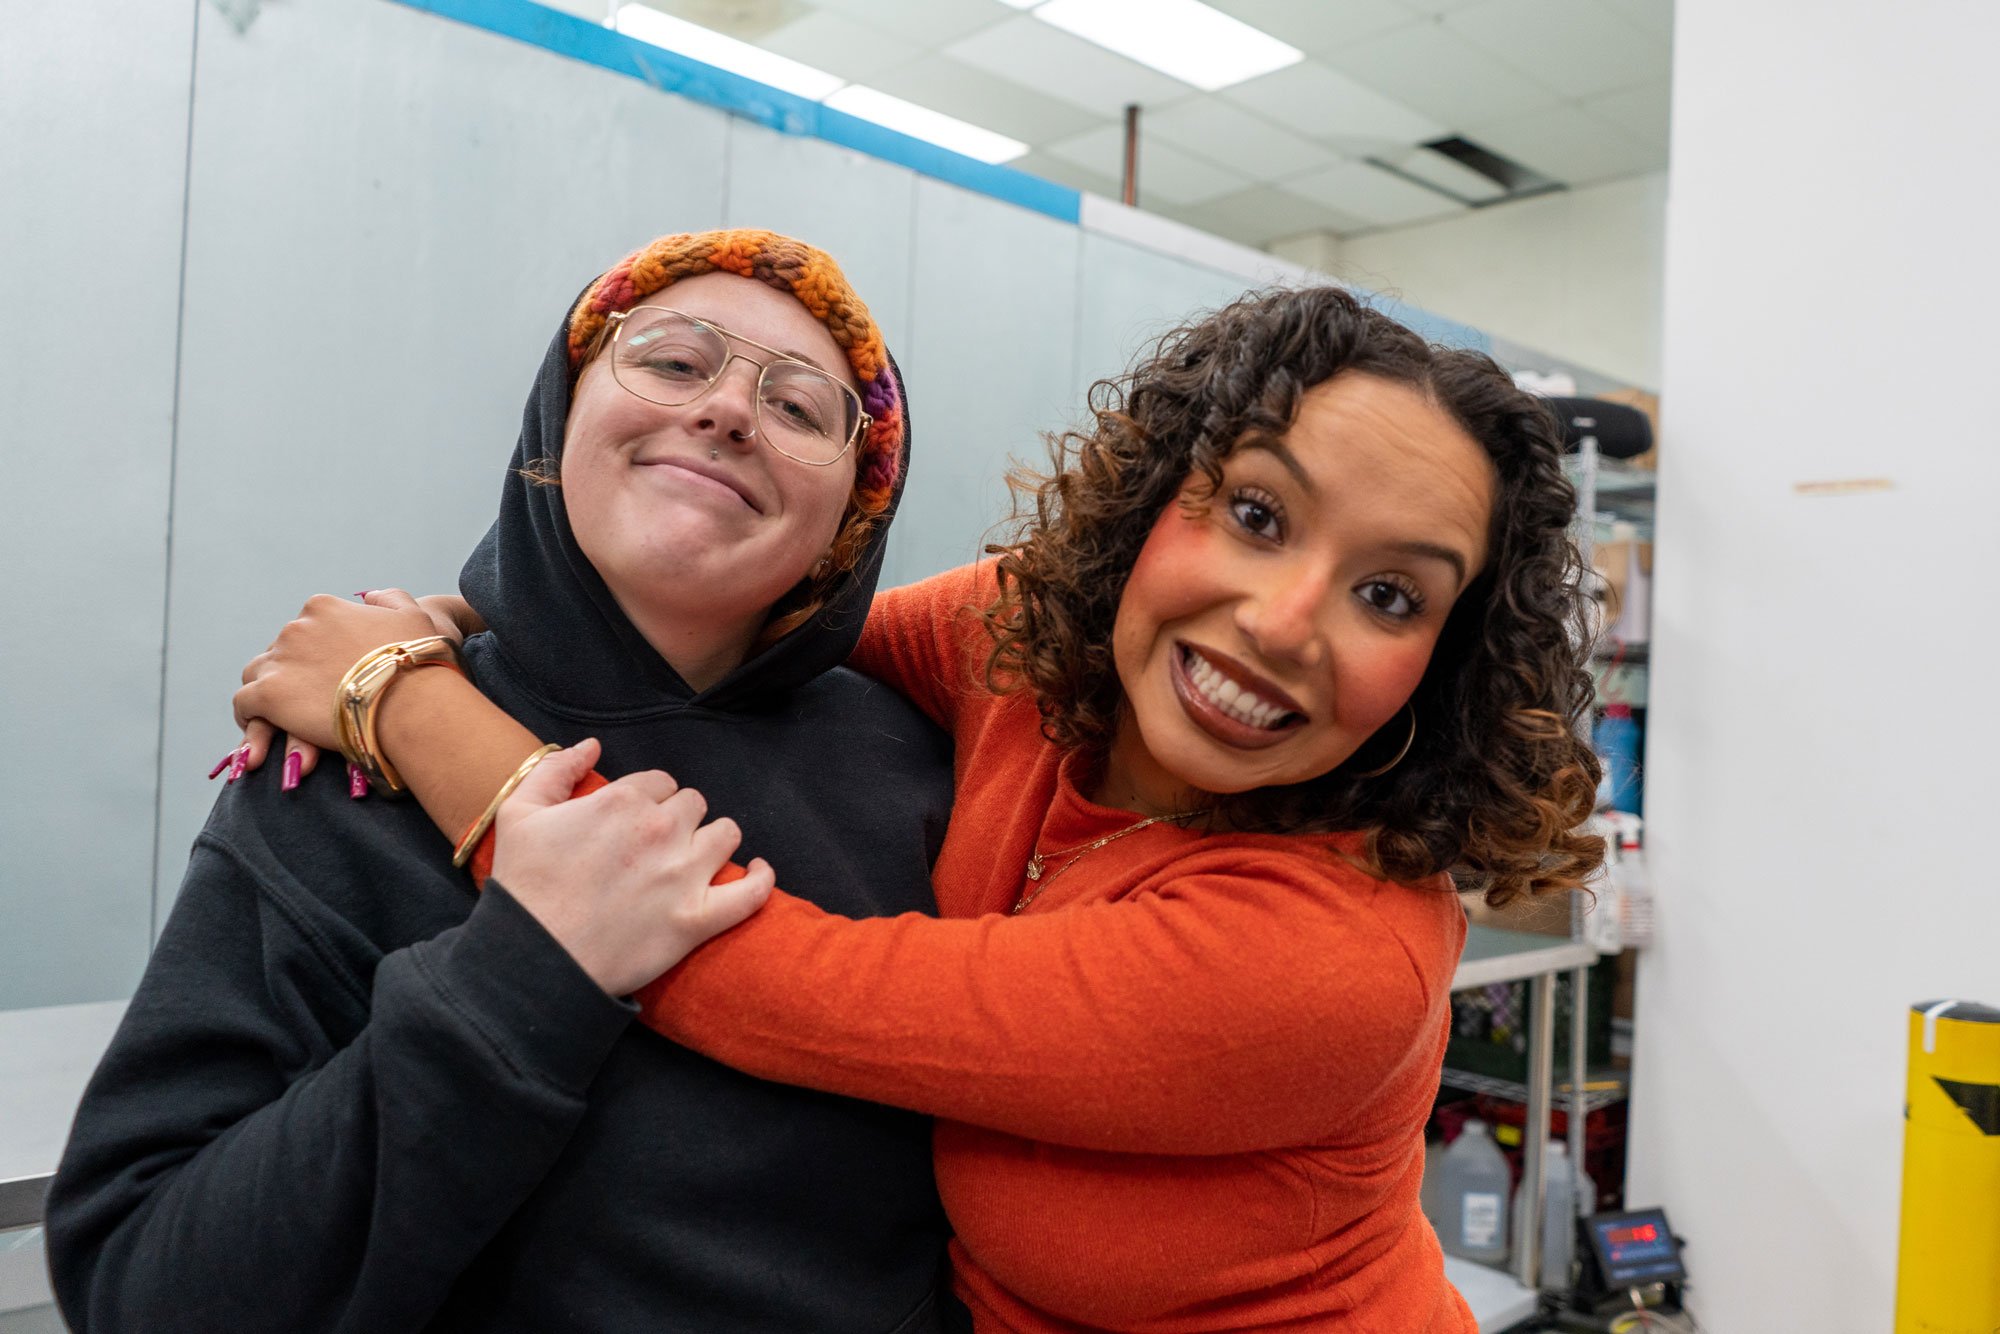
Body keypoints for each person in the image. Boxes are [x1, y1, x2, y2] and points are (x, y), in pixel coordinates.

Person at [225, 281, 1604, 1330]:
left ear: (1446, 660)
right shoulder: (1024, 643)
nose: (1282, 620)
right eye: (1254, 512)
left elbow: (737, 970)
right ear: (1155, 501)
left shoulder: (1325, 956)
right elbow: (760, 625)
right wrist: (473, 618)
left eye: (1389, 595)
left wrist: (404, 701)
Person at [45, 230, 967, 1334]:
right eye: (674, 362)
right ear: (559, 424)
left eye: (799, 409)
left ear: (846, 532)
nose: (726, 410)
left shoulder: (929, 781)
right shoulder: (344, 764)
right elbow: (142, 1281)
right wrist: (523, 972)